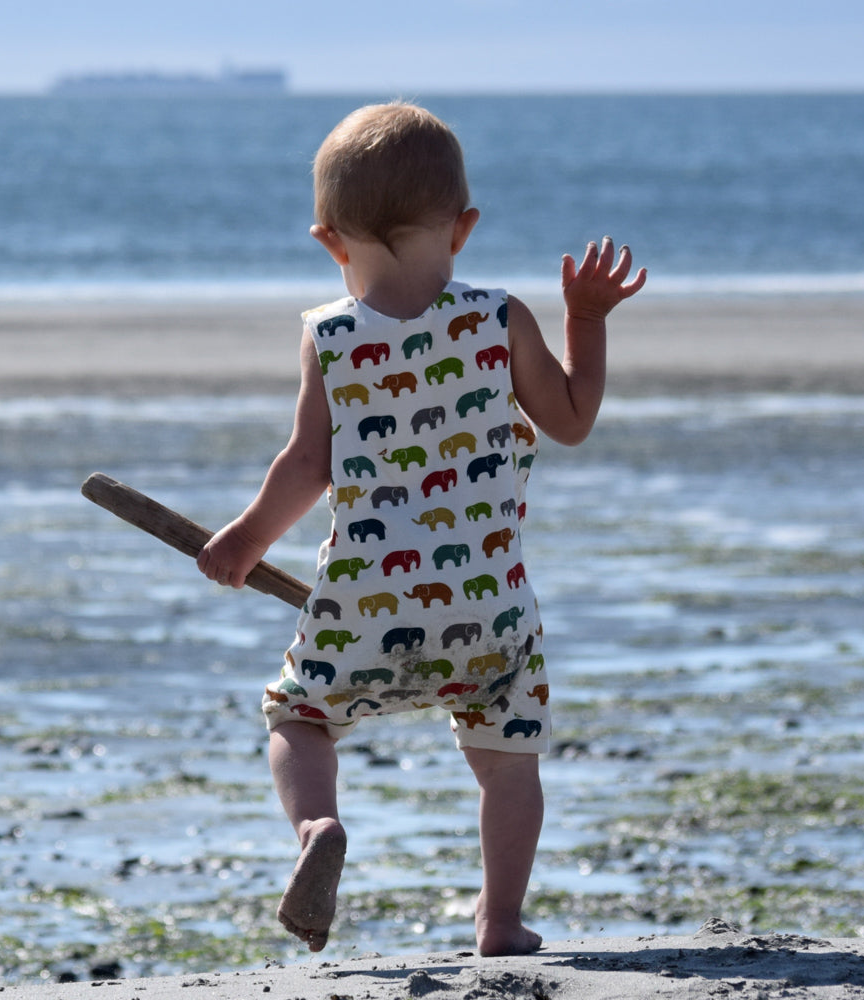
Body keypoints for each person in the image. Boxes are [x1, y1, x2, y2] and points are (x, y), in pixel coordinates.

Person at [196, 101, 646, 957]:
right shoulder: (497, 318)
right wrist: (585, 320)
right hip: (491, 609)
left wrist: (247, 539)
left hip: (363, 596)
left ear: (330, 241)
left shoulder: (329, 337)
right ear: (464, 228)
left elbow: (305, 464)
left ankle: (317, 829)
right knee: (508, 761)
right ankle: (500, 920)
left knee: (298, 717)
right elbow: (574, 419)